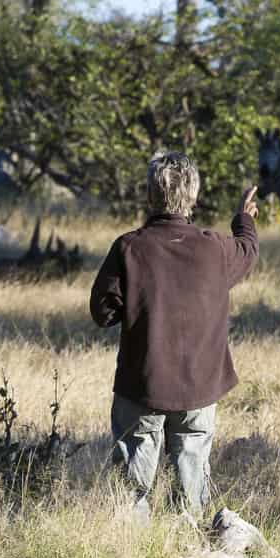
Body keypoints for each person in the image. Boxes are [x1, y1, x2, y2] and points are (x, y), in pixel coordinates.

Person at [90, 151, 259, 518]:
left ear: (151, 196)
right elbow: (247, 250)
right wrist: (244, 219)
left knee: (132, 492)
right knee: (192, 487)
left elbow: (102, 313)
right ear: (193, 197)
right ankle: (189, 547)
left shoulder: (129, 247)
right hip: (200, 387)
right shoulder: (215, 248)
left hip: (143, 386)